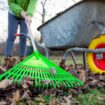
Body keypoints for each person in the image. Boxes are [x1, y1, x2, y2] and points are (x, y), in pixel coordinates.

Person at [4, 0, 38, 68]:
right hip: (13, 13)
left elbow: (33, 3)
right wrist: (21, 11)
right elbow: (11, 3)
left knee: (23, 37)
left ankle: (22, 59)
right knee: (12, 35)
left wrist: (30, 14)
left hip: (25, 15)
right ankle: (8, 58)